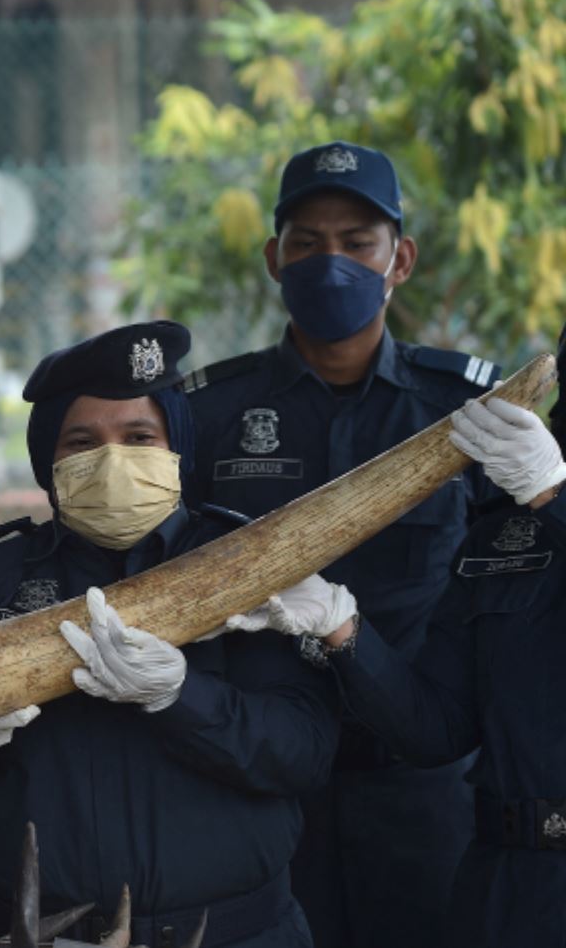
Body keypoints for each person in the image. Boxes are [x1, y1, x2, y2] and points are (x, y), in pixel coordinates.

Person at [0, 321, 340, 947]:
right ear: (50, 460)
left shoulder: (244, 568)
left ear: (175, 446)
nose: (112, 459)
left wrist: (181, 696)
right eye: (82, 441)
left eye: (139, 436)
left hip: (231, 934)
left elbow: (304, 755)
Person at [182, 141, 499, 948]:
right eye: (307, 242)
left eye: (357, 242)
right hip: (257, 781)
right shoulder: (213, 413)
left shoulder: (462, 411)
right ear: (273, 258)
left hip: (420, 785)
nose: (332, 262)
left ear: (401, 259)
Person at [220, 351, 566, 947]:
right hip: (504, 882)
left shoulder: (546, 501)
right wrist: (342, 629)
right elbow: (437, 730)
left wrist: (556, 499)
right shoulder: (506, 535)